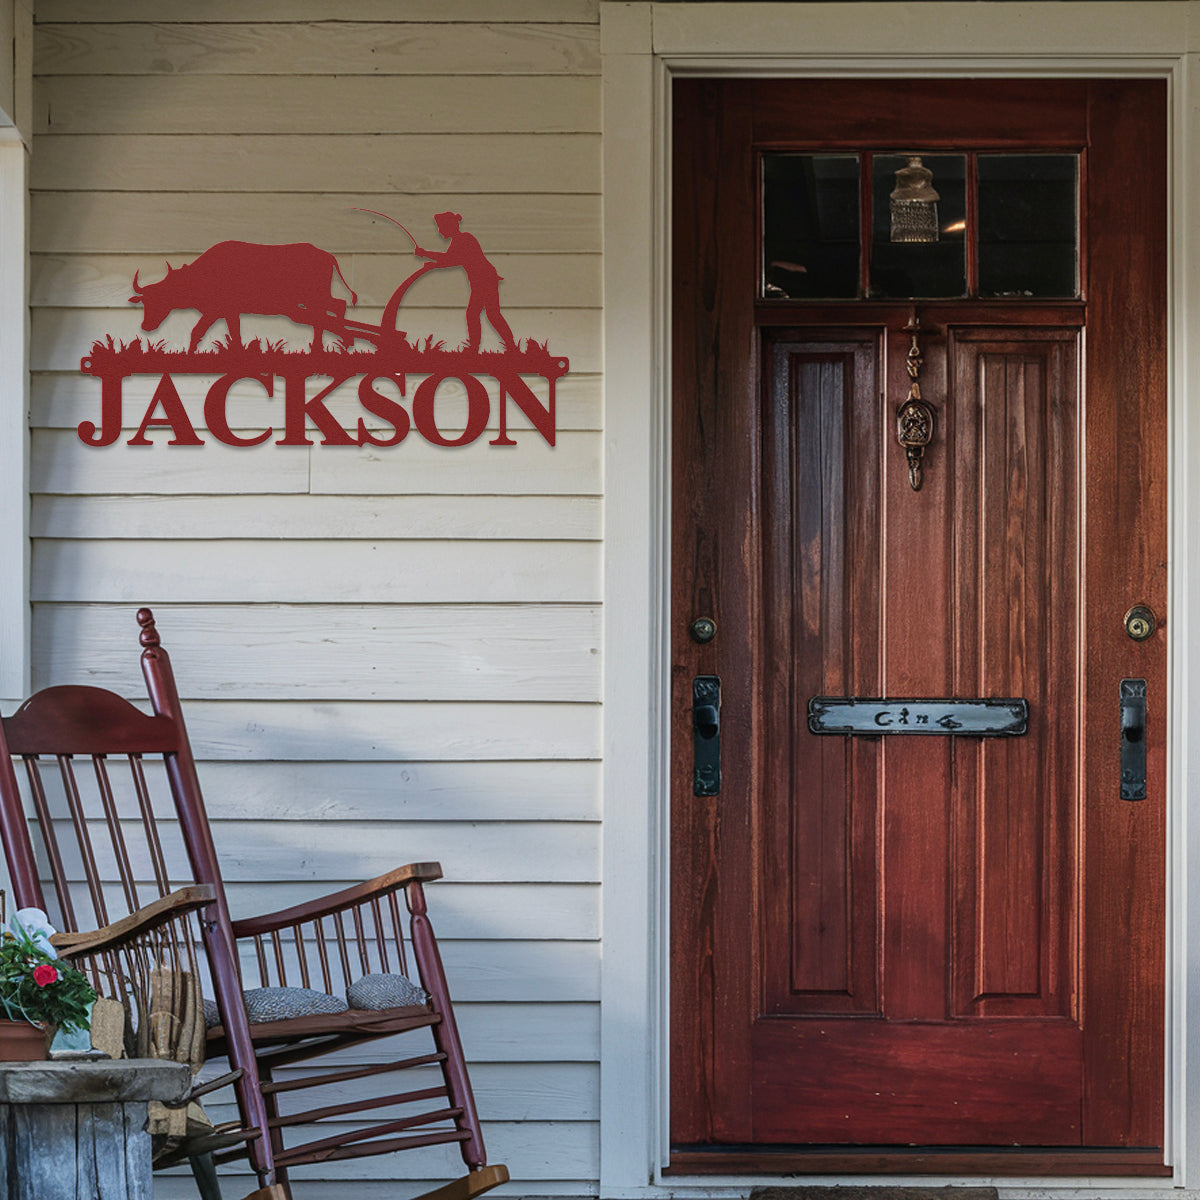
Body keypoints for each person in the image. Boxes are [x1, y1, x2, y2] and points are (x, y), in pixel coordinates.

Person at [414, 212, 518, 352]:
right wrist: (432, 262)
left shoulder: (464, 239)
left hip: (484, 280)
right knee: (489, 314)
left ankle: (478, 347)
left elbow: (451, 260)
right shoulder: (459, 240)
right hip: (483, 280)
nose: (439, 230)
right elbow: (450, 259)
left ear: (449, 226)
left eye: (440, 227)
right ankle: (507, 345)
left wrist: (426, 255)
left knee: (478, 313)